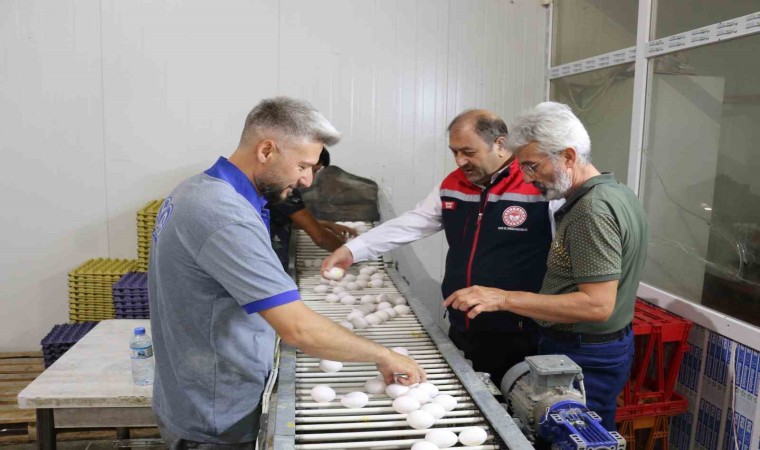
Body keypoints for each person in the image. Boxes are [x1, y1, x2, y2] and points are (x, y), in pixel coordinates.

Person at [148, 96, 425, 448]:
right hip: (216, 415)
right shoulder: (223, 214)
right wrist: (385, 355)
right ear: (266, 150)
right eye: (303, 166)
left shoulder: (195, 189)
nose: (307, 180)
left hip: (193, 391)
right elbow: (297, 328)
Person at [443, 101, 648, 431]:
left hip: (585, 353)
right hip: (598, 346)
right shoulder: (616, 192)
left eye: (533, 166)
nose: (528, 177)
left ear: (567, 156)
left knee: (578, 436)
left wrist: (502, 298)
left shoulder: (590, 212)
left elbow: (597, 305)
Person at [322, 109, 556, 386]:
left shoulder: (537, 186)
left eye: (468, 152)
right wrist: (354, 250)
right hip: (463, 323)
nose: (460, 161)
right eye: (454, 152)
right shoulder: (453, 184)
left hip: (519, 329)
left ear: (500, 144)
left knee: (512, 405)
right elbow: (415, 222)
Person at [268, 147, 358, 270]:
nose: (310, 180)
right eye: (313, 170)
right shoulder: (284, 188)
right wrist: (353, 252)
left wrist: (326, 224)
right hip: (269, 264)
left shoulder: (270, 179)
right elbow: (321, 238)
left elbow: (278, 218)